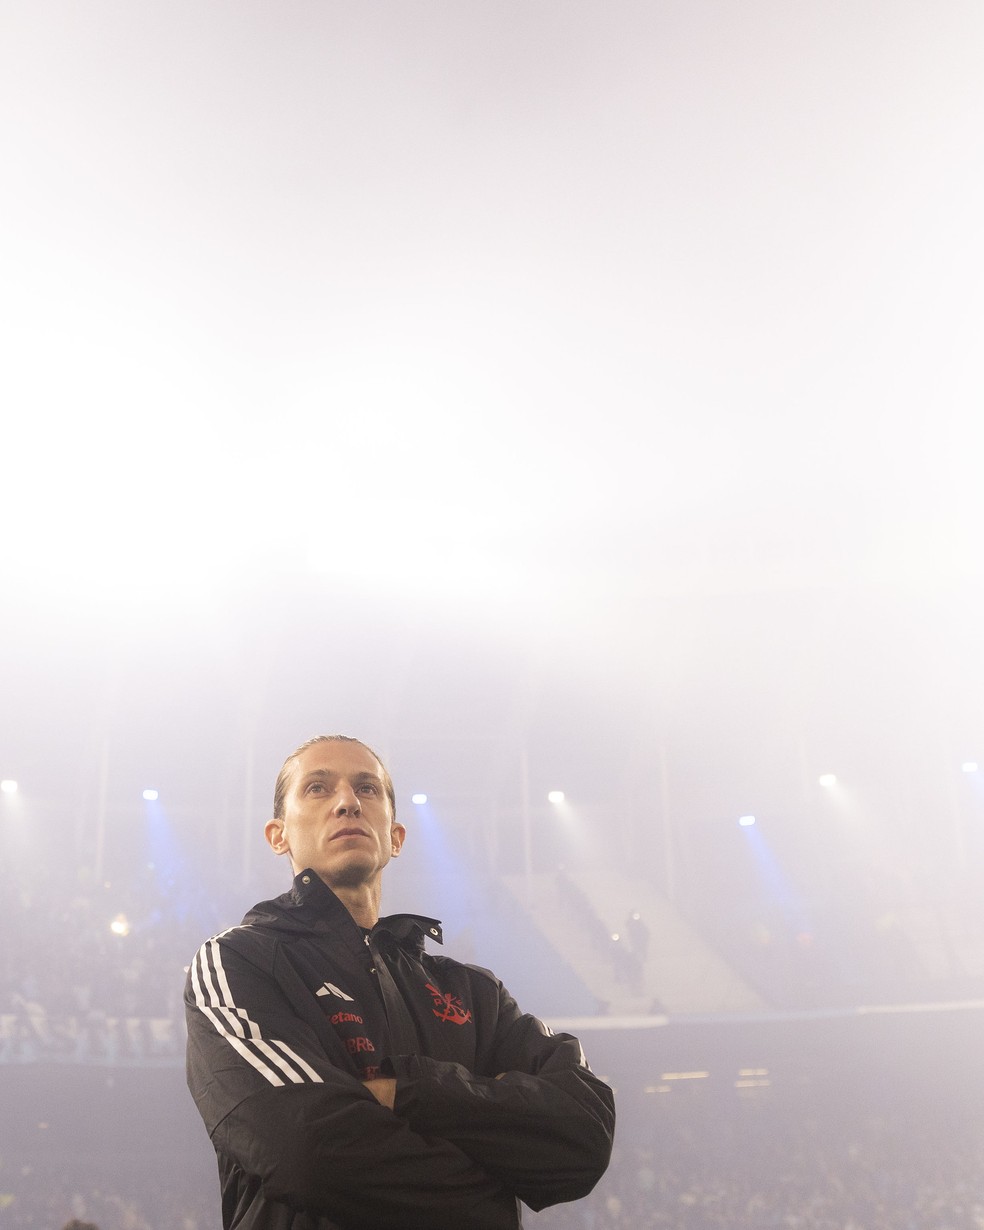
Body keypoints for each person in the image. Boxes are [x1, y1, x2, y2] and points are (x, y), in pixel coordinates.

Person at [185, 735, 615, 1230]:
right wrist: (494, 1191)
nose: (347, 802)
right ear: (277, 835)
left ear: (396, 836)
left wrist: (407, 1091)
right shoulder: (239, 961)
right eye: (318, 789)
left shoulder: (474, 993)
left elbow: (585, 1132)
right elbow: (305, 1148)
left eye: (367, 789)